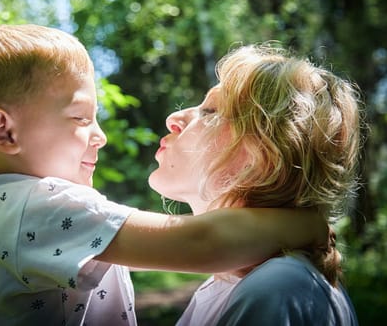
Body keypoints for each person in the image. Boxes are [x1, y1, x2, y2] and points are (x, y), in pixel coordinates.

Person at [0, 25, 327, 326]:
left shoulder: (8, 211)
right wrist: (305, 225)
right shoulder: (40, 206)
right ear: (5, 132)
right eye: (80, 118)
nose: (100, 136)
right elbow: (199, 241)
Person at [147, 44, 360, 325]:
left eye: (210, 111)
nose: (174, 118)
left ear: (264, 156)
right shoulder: (234, 286)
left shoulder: (277, 288)